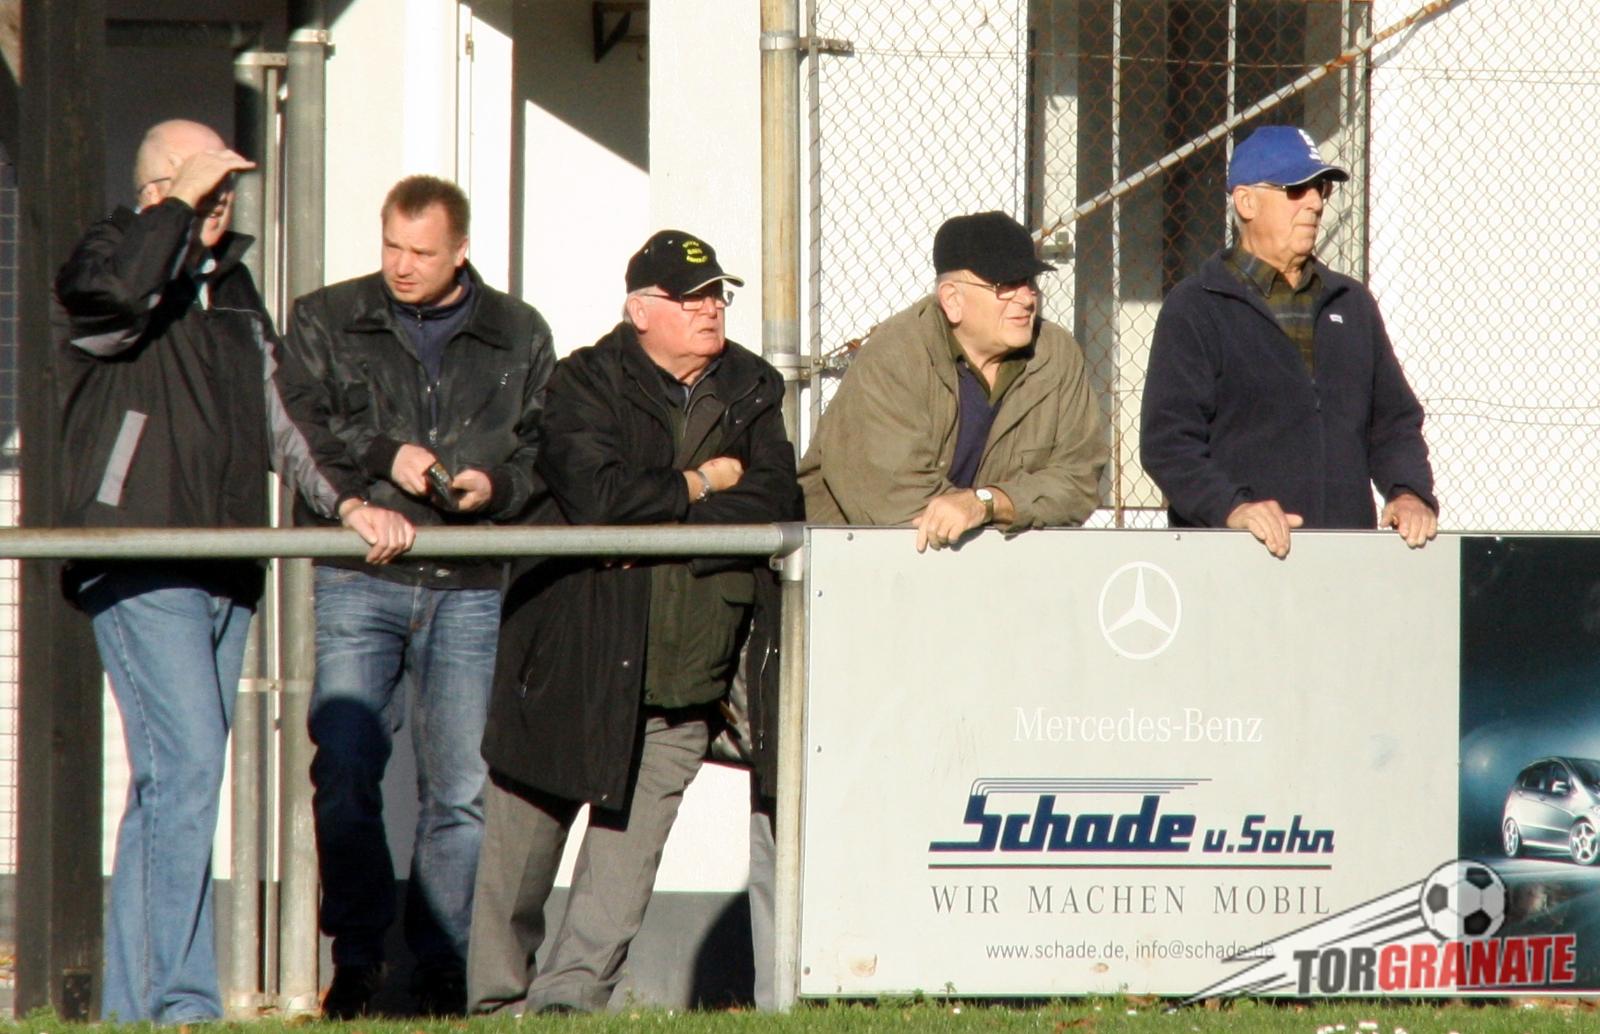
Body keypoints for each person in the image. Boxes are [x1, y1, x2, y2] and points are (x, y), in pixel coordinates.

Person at [467, 229, 802, 1015]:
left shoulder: (751, 386)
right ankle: (494, 1008)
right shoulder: (584, 382)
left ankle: (566, 1011)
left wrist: (663, 530)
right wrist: (702, 482)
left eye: (718, 295)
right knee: (519, 862)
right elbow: (600, 499)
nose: (711, 309)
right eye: (691, 298)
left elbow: (775, 499)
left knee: (620, 877)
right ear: (641, 310)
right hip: (575, 660)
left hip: (684, 676)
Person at [54, 119, 339, 1023]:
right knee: (185, 770)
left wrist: (351, 503)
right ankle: (178, 1005)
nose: (219, 207)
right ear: (159, 191)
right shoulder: (111, 254)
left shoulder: (234, 290)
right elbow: (113, 300)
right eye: (204, 190)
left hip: (226, 568)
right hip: (141, 557)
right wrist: (177, 205)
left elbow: (287, 417)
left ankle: (139, 1005)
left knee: (174, 784)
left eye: (225, 193)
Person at [273, 175, 556, 1017]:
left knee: (460, 790)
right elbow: (302, 423)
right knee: (345, 770)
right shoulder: (326, 318)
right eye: (391, 246)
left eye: (422, 253)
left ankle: (442, 968)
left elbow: (544, 449)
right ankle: (358, 961)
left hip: (469, 582)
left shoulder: (520, 332)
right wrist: (385, 456)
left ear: (460, 251)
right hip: (361, 576)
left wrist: (494, 486)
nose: (401, 265)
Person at [1140, 125, 1437, 559]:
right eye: (1296, 190)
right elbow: (1169, 444)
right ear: (1246, 202)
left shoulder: (1351, 303)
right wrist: (1233, 508)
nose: (1315, 203)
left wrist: (1409, 491)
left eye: (1321, 189)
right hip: (1236, 559)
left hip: (1344, 557)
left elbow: (1393, 423)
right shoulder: (1197, 307)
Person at [798, 210, 1108, 549]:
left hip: (995, 562)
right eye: (1005, 286)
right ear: (952, 300)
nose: (1027, 298)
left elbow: (1079, 481)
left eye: (1030, 282)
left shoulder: (1055, 354)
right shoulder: (895, 357)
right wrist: (993, 512)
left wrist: (987, 503)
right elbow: (895, 502)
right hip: (858, 559)